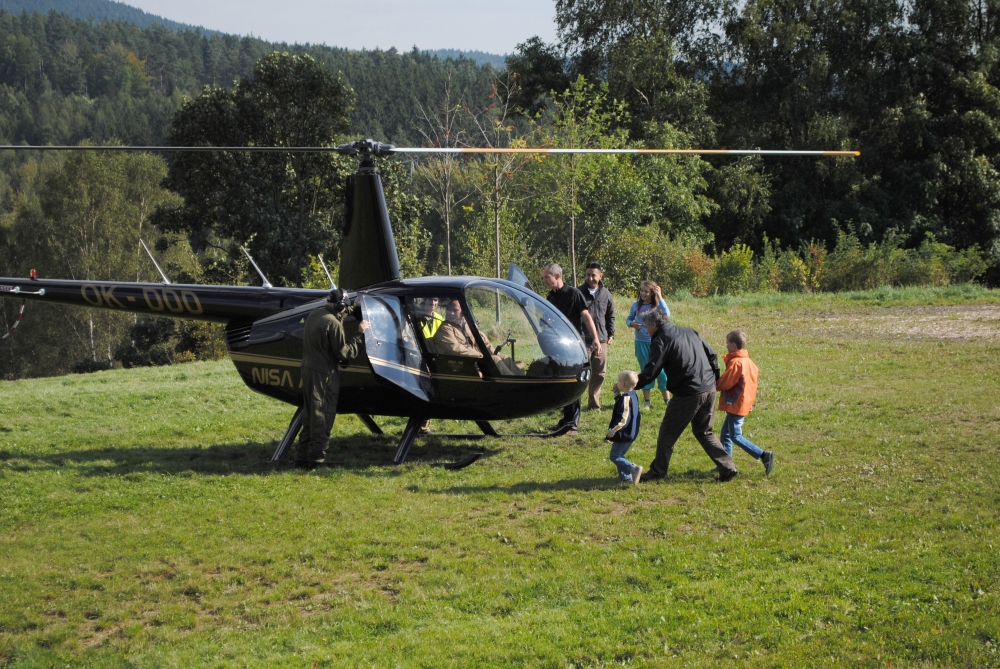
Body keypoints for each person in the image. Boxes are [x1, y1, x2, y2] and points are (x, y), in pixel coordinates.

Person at [635, 308, 738, 482]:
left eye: (646, 326)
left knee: (668, 432)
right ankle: (728, 467)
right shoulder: (689, 331)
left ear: (654, 325)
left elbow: (652, 370)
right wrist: (714, 379)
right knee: (704, 431)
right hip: (709, 388)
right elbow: (712, 355)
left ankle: (658, 472)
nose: (645, 331)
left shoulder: (661, 340)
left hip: (688, 392)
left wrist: (632, 384)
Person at [296, 289, 370, 468]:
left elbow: (336, 317)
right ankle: (316, 460)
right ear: (340, 305)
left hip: (308, 369)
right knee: (323, 415)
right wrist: (360, 334)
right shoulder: (333, 324)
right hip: (323, 374)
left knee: (310, 415)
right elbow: (343, 353)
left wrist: (353, 307)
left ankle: (301, 458)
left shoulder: (316, 314)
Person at [541, 262, 601, 434]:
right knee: (563, 382)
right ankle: (565, 420)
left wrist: (595, 339)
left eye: (547, 277)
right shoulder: (550, 297)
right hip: (557, 344)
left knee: (573, 382)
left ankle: (572, 424)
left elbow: (586, 316)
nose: (544, 280)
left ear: (557, 276)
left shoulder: (574, 294)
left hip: (573, 345)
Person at [717, 329, 774, 474]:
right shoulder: (749, 362)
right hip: (743, 402)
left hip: (736, 403)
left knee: (735, 436)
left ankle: (763, 455)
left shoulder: (736, 363)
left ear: (734, 345)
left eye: (727, 343)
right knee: (726, 434)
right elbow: (752, 386)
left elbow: (725, 383)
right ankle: (726, 464)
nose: (726, 345)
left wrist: (712, 385)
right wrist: (750, 403)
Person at [626, 280, 670, 411]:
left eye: (646, 291)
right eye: (641, 290)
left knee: (661, 372)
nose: (643, 293)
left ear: (652, 293)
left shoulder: (657, 305)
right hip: (641, 342)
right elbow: (629, 319)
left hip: (657, 343)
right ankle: (647, 401)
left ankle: (667, 400)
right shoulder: (636, 305)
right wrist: (631, 324)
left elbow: (667, 314)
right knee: (646, 370)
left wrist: (660, 297)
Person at [578, 261, 615, 410]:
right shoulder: (578, 292)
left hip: (601, 339)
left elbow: (610, 316)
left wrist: (611, 333)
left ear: (600, 276)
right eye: (587, 275)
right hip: (582, 339)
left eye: (593, 275)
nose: (590, 278)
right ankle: (574, 404)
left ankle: (593, 405)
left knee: (599, 373)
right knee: (580, 372)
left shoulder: (606, 294)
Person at [607, 370, 642, 485]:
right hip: (631, 432)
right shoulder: (632, 395)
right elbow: (622, 406)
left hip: (624, 433)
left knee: (615, 456)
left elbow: (623, 419)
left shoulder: (626, 399)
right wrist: (617, 395)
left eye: (618, 381)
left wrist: (613, 430)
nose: (616, 382)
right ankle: (626, 479)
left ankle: (633, 469)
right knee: (619, 455)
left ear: (622, 384)